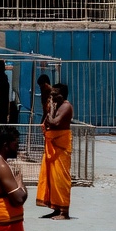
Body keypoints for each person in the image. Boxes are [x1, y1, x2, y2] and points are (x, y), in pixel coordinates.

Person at [37, 83, 73, 220]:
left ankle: (64, 212)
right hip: (52, 144)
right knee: (52, 178)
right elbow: (46, 121)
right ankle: (55, 208)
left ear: (62, 95)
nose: (51, 96)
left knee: (60, 179)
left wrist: (51, 109)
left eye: (54, 94)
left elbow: (54, 123)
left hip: (61, 147)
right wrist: (49, 109)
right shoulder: (56, 105)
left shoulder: (66, 107)